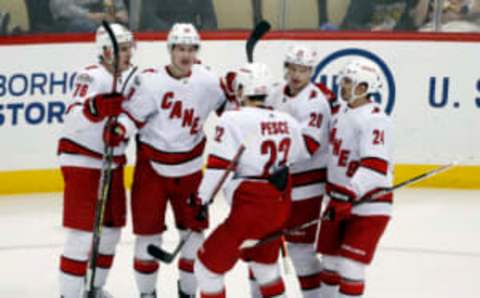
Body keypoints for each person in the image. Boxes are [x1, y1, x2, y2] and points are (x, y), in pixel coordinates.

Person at [115, 23, 231, 298]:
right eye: (180, 48)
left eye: (191, 49)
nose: (186, 54)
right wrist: (119, 130)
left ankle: (187, 293)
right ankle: (147, 294)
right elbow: (131, 117)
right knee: (147, 238)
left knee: (194, 239)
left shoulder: (208, 81)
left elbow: (232, 114)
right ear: (170, 50)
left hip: (190, 173)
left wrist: (241, 94)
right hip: (151, 172)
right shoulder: (151, 81)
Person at [192, 62, 313, 298]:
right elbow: (299, 154)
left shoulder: (232, 119)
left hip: (250, 210)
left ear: (240, 90)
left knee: (206, 269)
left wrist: (201, 199)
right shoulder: (287, 120)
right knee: (265, 268)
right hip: (279, 207)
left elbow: (219, 167)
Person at [57, 23, 137, 298]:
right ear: (105, 51)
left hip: (111, 163)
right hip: (82, 162)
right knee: (81, 236)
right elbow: (72, 118)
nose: (128, 54)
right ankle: (69, 295)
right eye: (122, 49)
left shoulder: (130, 79)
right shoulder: (90, 77)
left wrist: (122, 127)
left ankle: (95, 288)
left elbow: (135, 115)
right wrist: (95, 108)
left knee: (112, 232)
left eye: (129, 48)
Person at [316, 58, 393, 298]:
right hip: (339, 201)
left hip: (369, 204)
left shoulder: (376, 120)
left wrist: (349, 192)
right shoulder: (341, 112)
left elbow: (375, 166)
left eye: (348, 82)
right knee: (329, 262)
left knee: (351, 266)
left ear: (363, 87)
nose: (343, 86)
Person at [263, 45, 335, 298]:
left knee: (300, 250)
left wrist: (273, 157)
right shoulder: (275, 93)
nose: (296, 74)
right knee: (267, 246)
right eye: (293, 68)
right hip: (281, 182)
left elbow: (309, 146)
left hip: (307, 183)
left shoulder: (315, 103)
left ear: (311, 72)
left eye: (303, 70)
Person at [50, 0, 129, 32]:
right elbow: (60, 7)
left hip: (105, 22)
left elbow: (119, 7)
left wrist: (120, 13)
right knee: (84, 25)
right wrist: (90, 16)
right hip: (72, 22)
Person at [341, 0, 423, 31]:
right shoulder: (362, 2)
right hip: (366, 43)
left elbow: (409, 24)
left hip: (396, 44)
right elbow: (349, 25)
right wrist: (372, 30)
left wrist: (393, 30)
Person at [139, 0, 218, 31]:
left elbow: (210, 19)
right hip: (162, 37)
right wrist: (174, 32)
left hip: (192, 36)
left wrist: (201, 35)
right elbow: (148, 18)